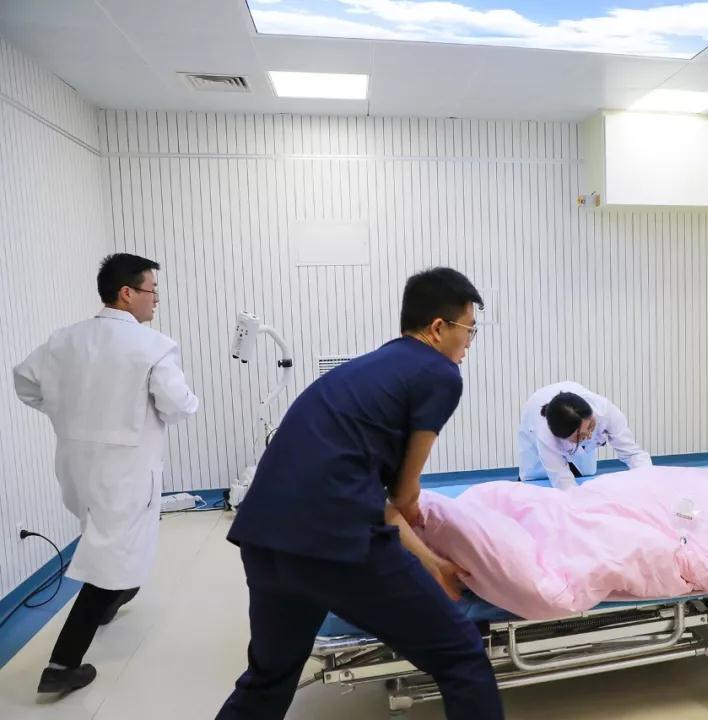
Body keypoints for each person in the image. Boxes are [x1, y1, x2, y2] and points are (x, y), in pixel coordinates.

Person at [216, 267, 503, 720]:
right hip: (334, 541)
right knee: (463, 657)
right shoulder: (440, 373)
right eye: (469, 329)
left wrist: (432, 565)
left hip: (265, 536)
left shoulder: (371, 367)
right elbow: (404, 496)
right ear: (438, 328)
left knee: (269, 677)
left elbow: (374, 498)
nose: (469, 341)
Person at [13, 253, 199, 694]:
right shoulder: (153, 346)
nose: (156, 300)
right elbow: (178, 405)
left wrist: (65, 414)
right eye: (152, 290)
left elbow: (25, 382)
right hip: (125, 473)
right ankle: (61, 666)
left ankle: (113, 599)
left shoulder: (65, 340)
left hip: (76, 468)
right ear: (127, 293)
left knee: (107, 544)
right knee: (109, 559)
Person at [518, 381, 652, 490]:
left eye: (591, 426)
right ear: (562, 437)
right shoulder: (545, 434)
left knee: (586, 476)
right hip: (535, 442)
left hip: (571, 418)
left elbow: (633, 454)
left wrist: (649, 482)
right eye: (580, 436)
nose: (589, 436)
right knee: (539, 486)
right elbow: (563, 483)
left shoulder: (605, 411)